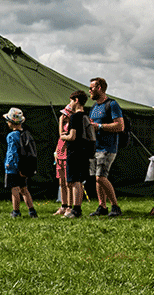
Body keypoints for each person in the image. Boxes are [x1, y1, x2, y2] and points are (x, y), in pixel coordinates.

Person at [88, 77, 124, 217]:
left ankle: (115, 207)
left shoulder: (112, 104)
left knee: (100, 177)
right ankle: (102, 207)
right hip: (95, 147)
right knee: (97, 178)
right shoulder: (94, 107)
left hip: (107, 148)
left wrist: (100, 126)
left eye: (91, 88)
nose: (89, 90)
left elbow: (120, 126)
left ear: (100, 88)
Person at [60, 91, 90, 219]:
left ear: (76, 100)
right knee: (75, 181)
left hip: (74, 151)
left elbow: (72, 136)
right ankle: (75, 209)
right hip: (83, 151)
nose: (70, 104)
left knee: (75, 181)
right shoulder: (85, 116)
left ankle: (76, 210)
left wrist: (63, 136)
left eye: (71, 100)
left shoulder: (75, 117)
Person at [3, 107, 37, 218]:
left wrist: (9, 165)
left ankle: (16, 211)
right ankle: (32, 211)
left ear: (11, 122)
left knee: (15, 189)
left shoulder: (11, 136)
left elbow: (12, 153)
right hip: (23, 166)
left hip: (13, 167)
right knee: (24, 189)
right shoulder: (25, 134)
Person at [53, 104, 72, 216]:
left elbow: (61, 134)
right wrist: (56, 152)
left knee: (67, 182)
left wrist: (60, 121)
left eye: (64, 114)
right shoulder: (65, 124)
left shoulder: (70, 126)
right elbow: (60, 139)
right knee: (61, 182)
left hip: (66, 156)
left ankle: (69, 206)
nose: (62, 116)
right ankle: (63, 206)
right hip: (59, 155)